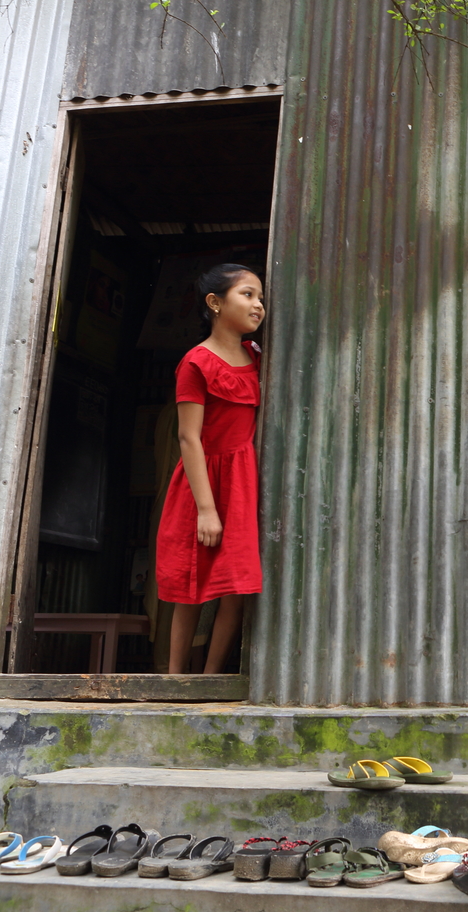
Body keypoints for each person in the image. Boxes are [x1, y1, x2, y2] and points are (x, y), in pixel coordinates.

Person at [155, 263, 266, 674]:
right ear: (215, 303)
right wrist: (206, 509)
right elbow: (189, 438)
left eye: (260, 297)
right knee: (190, 585)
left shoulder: (256, 356)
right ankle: (174, 679)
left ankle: (211, 678)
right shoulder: (196, 363)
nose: (258, 305)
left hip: (241, 483)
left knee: (235, 585)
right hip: (202, 484)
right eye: (247, 294)